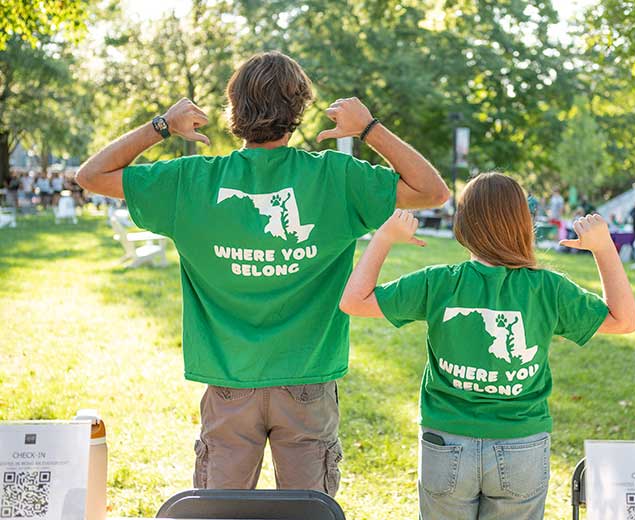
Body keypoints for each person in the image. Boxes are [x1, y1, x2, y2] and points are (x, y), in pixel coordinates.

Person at [76, 51, 449, 492]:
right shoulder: (335, 176)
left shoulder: (192, 181)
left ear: (233, 109)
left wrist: (161, 126)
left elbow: (92, 175)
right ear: (300, 110)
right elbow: (432, 191)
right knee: (309, 511)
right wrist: (370, 129)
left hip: (230, 382)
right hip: (308, 379)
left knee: (222, 511)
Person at [339, 173, 635, 520]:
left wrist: (384, 237)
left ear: (462, 225)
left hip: (446, 441)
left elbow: (354, 301)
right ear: (525, 224)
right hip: (520, 444)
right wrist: (604, 248)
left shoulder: (438, 282)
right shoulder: (547, 288)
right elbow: (625, 320)